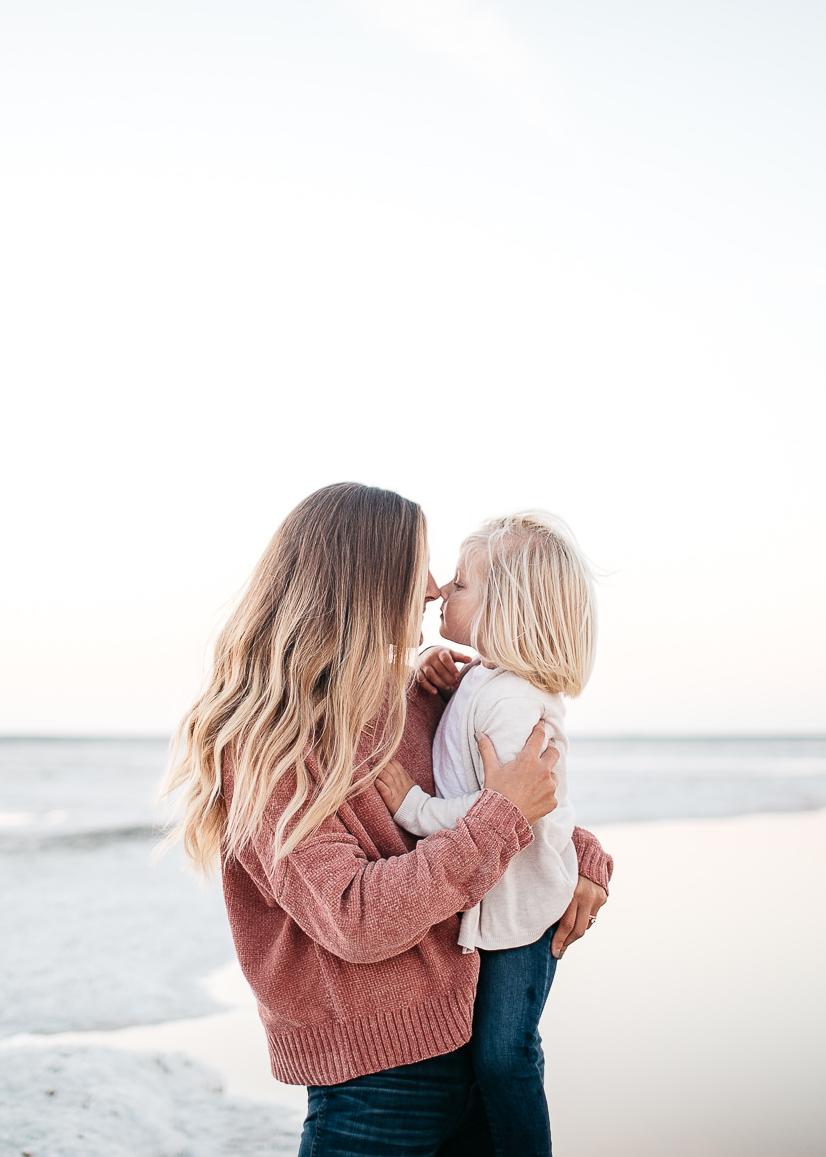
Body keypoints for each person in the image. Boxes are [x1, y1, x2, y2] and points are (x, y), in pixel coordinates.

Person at [160, 483, 611, 1157]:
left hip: (477, 1045)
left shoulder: (422, 697)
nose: (434, 590)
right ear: (366, 583)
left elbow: (498, 800)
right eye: (420, 568)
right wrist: (503, 819)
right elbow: (355, 918)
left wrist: (586, 860)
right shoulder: (268, 744)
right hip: (376, 1081)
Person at [374, 512, 597, 1157]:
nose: (443, 591)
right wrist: (427, 671)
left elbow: (512, 811)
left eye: (462, 584)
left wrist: (414, 809)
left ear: (508, 609)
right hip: (491, 903)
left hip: (524, 913)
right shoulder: (483, 682)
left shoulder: (512, 702)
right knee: (483, 1060)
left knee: (505, 1055)